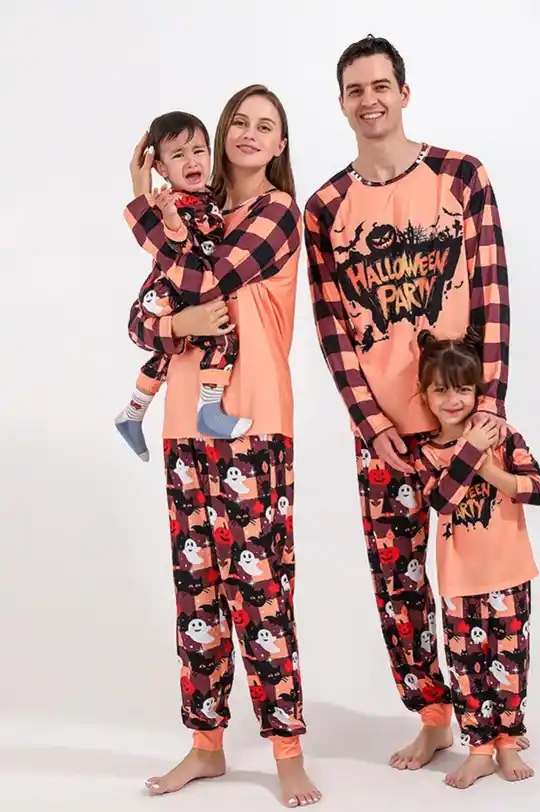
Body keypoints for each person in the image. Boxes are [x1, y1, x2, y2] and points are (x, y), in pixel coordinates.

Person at [305, 34, 526, 769]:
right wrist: (371, 428)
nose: (369, 99)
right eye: (354, 89)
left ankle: (497, 723)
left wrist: (488, 414)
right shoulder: (325, 206)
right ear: (340, 104)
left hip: (465, 426)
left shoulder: (462, 176)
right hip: (388, 438)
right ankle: (434, 716)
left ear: (404, 92)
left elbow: (492, 297)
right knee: (398, 584)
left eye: (381, 85)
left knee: (483, 582)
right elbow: (333, 330)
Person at [125, 84, 321, 808]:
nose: (249, 133)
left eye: (265, 126)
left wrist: (141, 212)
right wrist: (179, 322)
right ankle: (206, 746)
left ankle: (287, 751)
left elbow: (207, 281)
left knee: (260, 593)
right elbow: (143, 320)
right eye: (239, 119)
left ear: (280, 146)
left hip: (251, 420)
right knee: (198, 593)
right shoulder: (189, 217)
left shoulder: (275, 213)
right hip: (183, 422)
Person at [413, 330, 540, 788]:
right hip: (459, 578)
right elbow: (441, 500)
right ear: (426, 394)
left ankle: (507, 740)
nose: (453, 399)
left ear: (477, 390)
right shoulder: (428, 451)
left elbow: (538, 489)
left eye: (463, 388)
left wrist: (492, 469)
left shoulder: (504, 436)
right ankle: (479, 748)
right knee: (467, 665)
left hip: (509, 570)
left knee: (509, 660)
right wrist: (471, 452)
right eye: (441, 389)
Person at [115, 110, 251, 462]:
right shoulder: (174, 201)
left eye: (199, 151)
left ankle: (132, 414)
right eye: (178, 155)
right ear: (161, 168)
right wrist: (170, 217)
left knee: (165, 355)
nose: (192, 161)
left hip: (171, 294)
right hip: (169, 293)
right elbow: (174, 245)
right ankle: (210, 412)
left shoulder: (208, 197)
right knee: (222, 338)